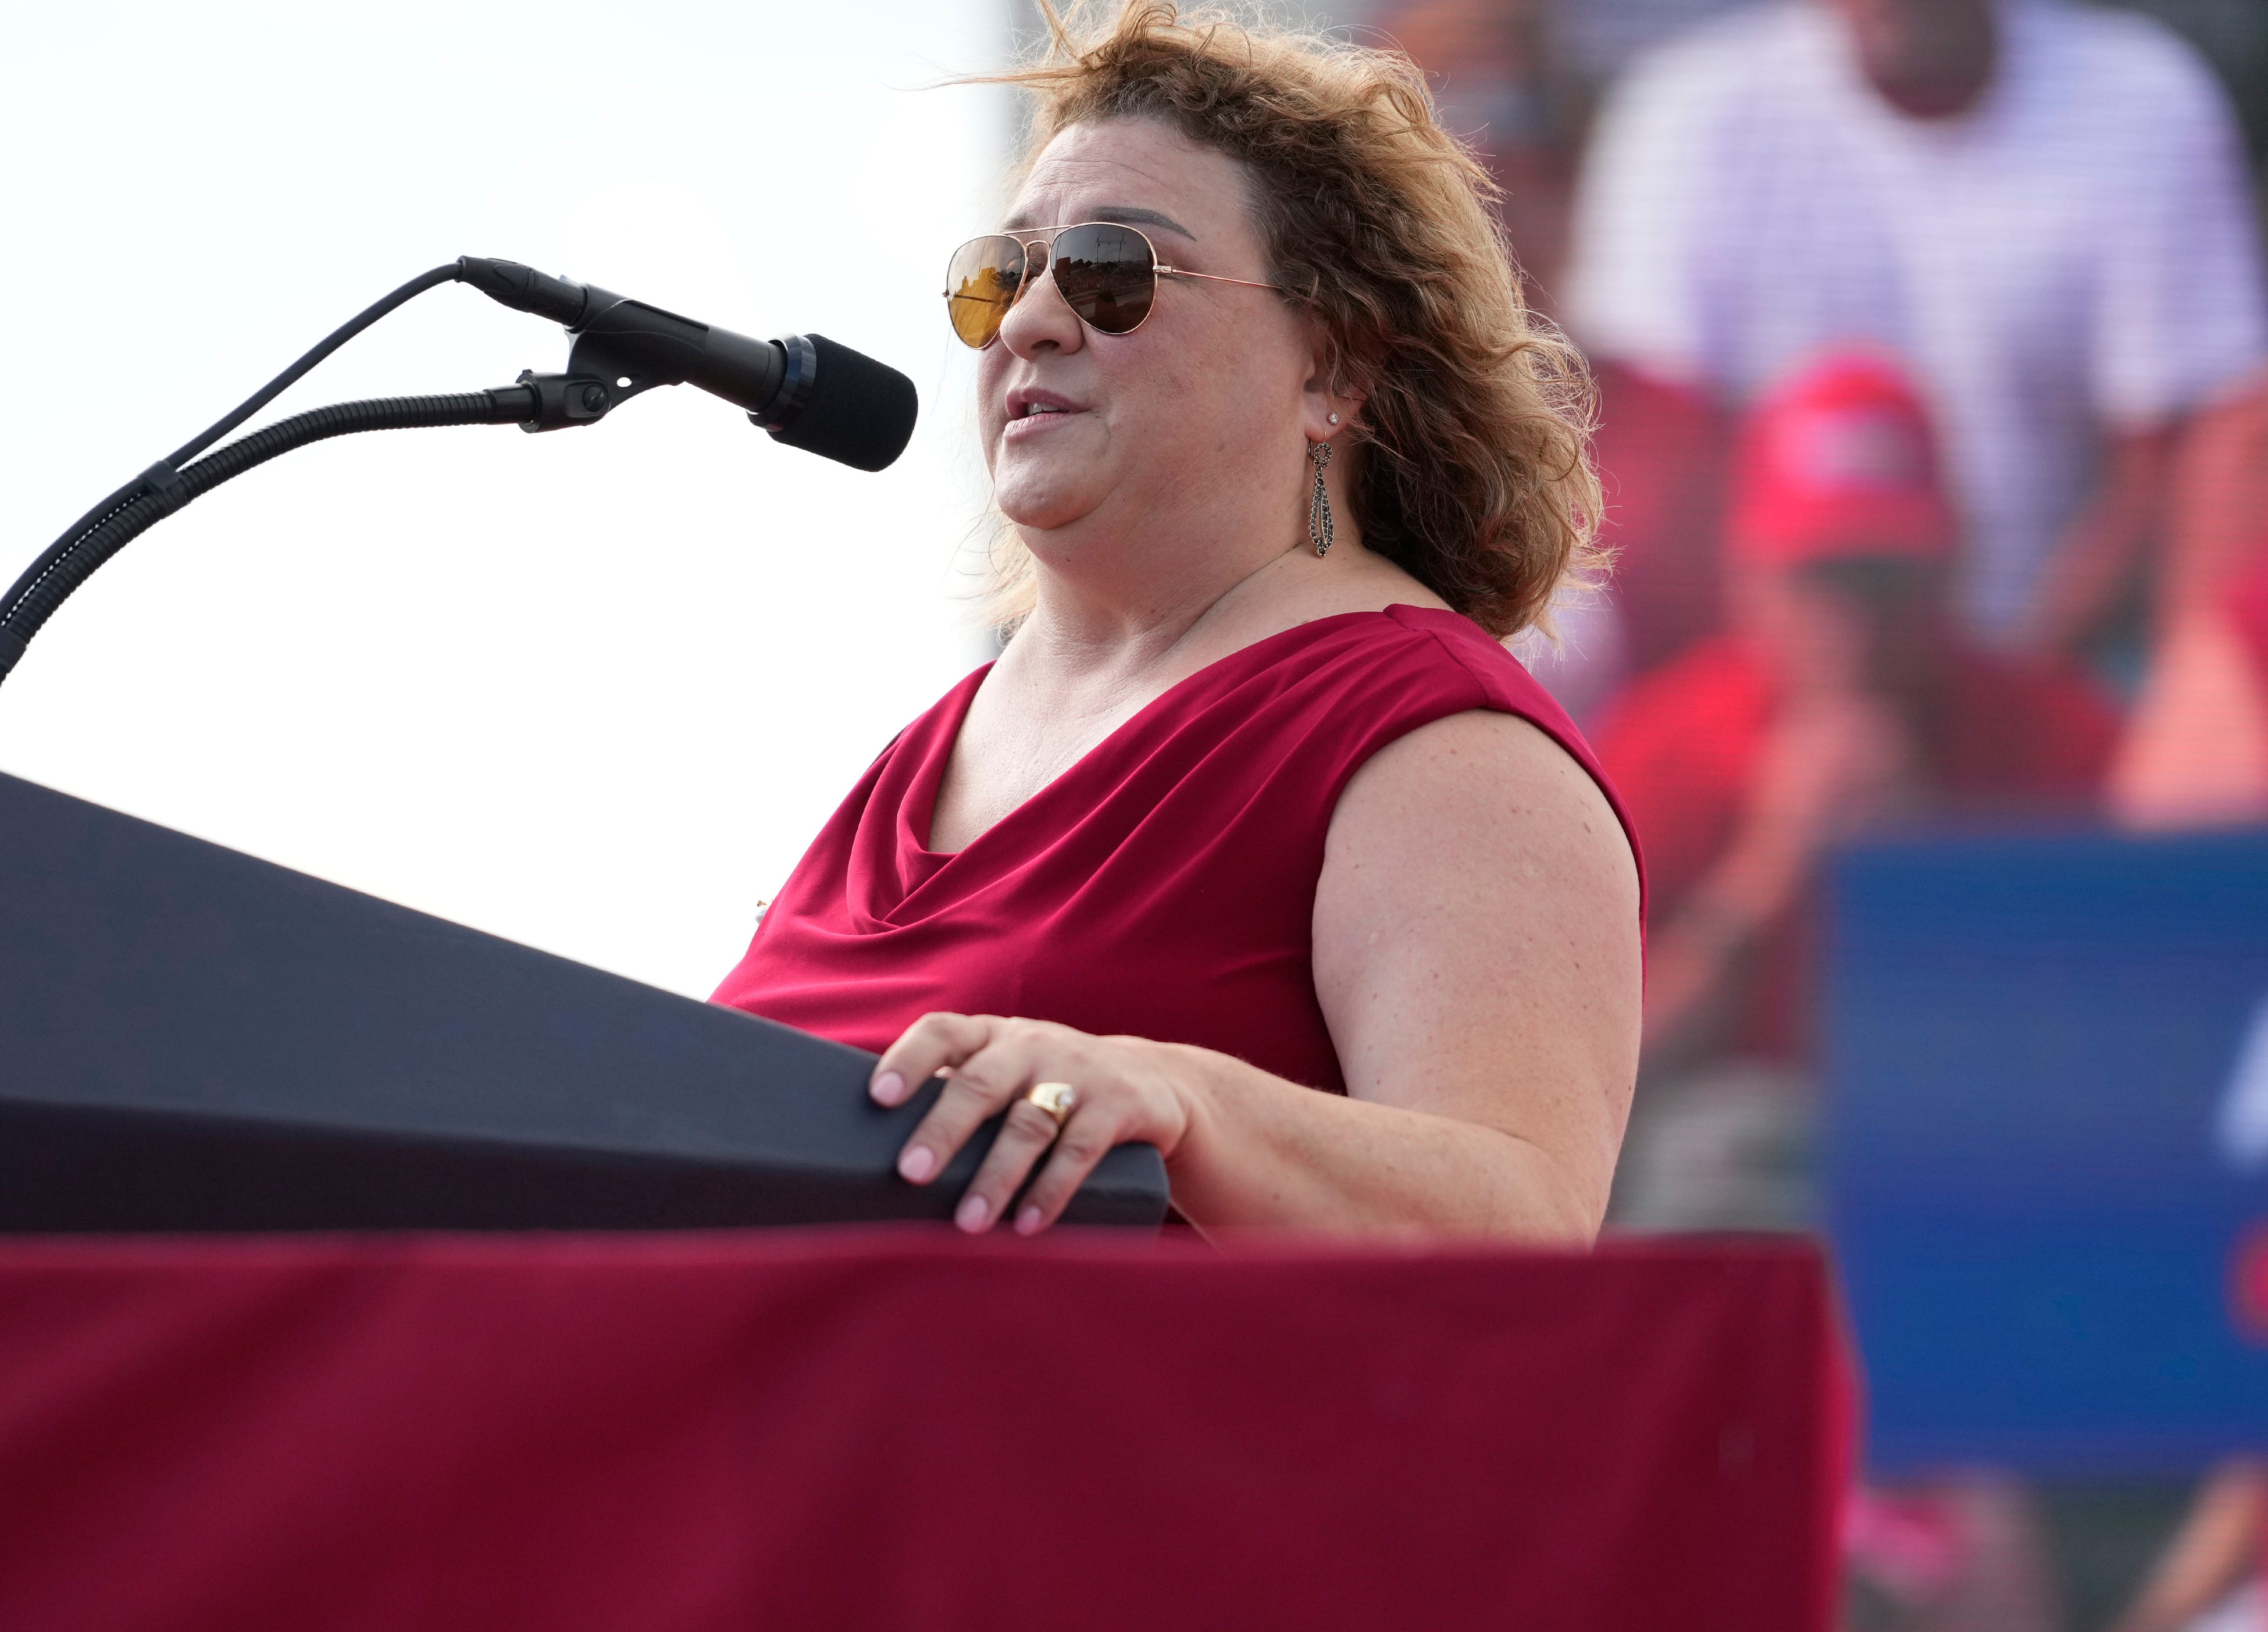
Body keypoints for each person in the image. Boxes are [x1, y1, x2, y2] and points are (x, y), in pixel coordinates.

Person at [709, 2, 1645, 1241]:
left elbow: (1525, 1233)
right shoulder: (918, 755)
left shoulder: (1437, 741)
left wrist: (1190, 1101)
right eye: (1003, 277)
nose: (1034, 321)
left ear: (1334, 371)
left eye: (1110, 273)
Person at [1564, 0, 2268, 659]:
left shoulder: (2143, 97)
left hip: (2073, 650)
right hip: (1778, 650)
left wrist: (2008, 698)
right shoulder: (1690, 109)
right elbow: (1654, 457)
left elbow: (2192, 461)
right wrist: (1790, 695)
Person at [1595, 351, 2113, 1225]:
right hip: (1734, 1161)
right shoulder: (1662, 746)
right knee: (1709, 1161)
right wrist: (1763, 877)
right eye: (1821, 580)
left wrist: (1928, 880)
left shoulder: (2059, 741)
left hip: (1986, 1154)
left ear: (1950, 576)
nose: (1857, 627)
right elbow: (1596, 1081)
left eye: (1887, 580)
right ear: (1748, 580)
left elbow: (2119, 1061)